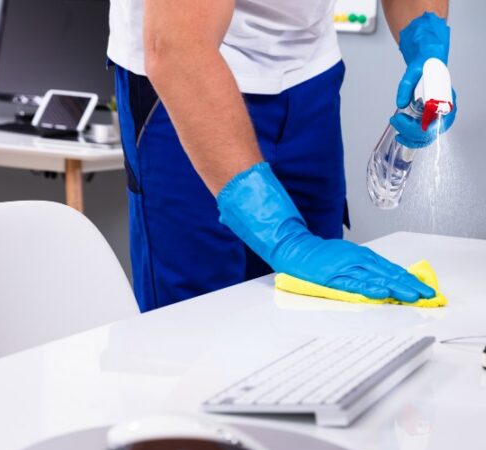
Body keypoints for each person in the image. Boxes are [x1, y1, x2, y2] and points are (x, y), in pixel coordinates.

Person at [107, 0, 457, 312]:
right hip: (189, 73)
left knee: (316, 306)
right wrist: (286, 239)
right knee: (196, 318)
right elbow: (178, 49)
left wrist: (426, 45)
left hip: (309, 73)